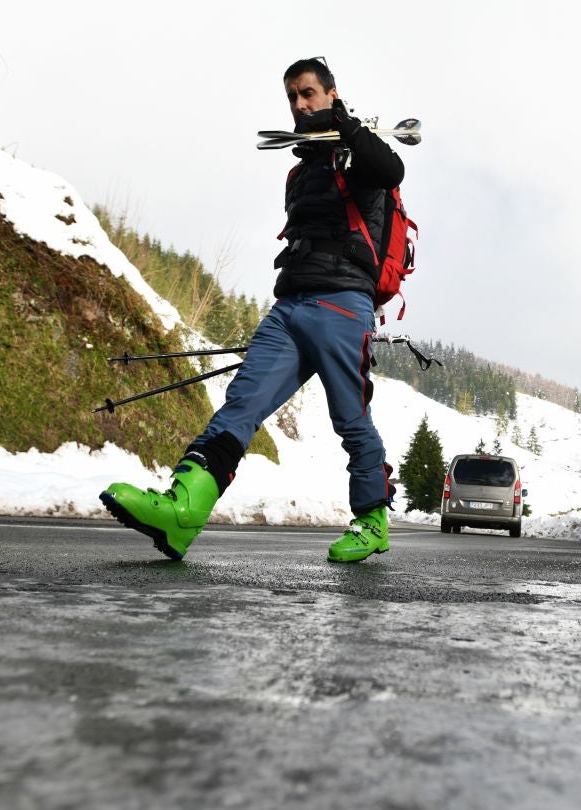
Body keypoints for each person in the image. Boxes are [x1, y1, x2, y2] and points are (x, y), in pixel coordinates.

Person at [101, 57, 402, 563]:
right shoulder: (300, 170)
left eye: (308, 93)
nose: (299, 103)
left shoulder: (359, 154)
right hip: (290, 306)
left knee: (350, 418)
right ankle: (182, 511)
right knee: (241, 404)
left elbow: (392, 169)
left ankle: (372, 521)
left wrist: (346, 127)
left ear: (330, 93)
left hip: (343, 305)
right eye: (292, 97)